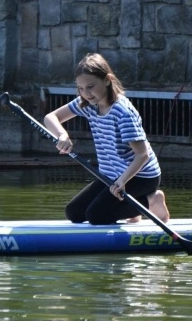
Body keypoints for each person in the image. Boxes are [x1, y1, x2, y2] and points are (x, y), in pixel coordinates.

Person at [44, 53, 170, 225]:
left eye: (90, 86)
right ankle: (132, 209)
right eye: (80, 88)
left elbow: (142, 155)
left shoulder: (122, 112)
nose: (86, 93)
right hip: (110, 175)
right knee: (74, 212)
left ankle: (153, 200)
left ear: (107, 80)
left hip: (141, 176)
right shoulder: (87, 104)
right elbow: (50, 117)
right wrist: (62, 134)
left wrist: (122, 181)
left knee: (96, 216)